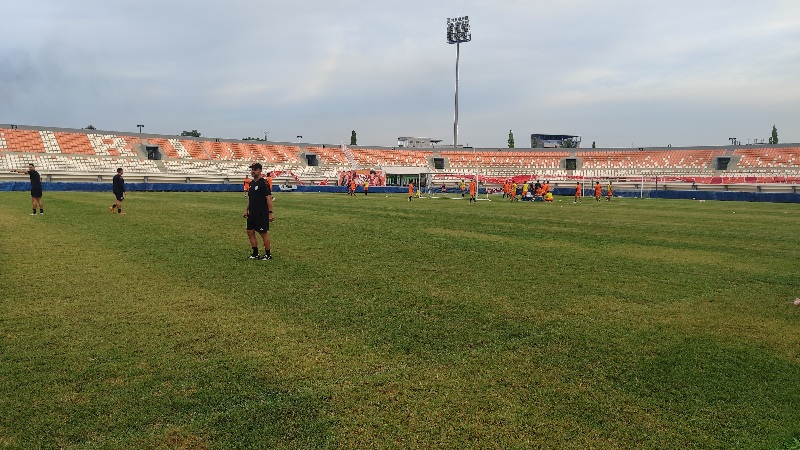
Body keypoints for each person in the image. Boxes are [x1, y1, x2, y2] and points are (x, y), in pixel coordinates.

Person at [243, 162, 275, 260]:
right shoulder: (251, 183)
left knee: (263, 233)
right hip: (252, 213)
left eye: (255, 169)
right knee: (250, 231)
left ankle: (268, 254)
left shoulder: (264, 183)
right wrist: (246, 210)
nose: (253, 171)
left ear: (260, 170)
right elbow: (250, 198)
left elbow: (268, 198)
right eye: (252, 169)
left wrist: (270, 212)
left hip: (261, 212)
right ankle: (255, 253)